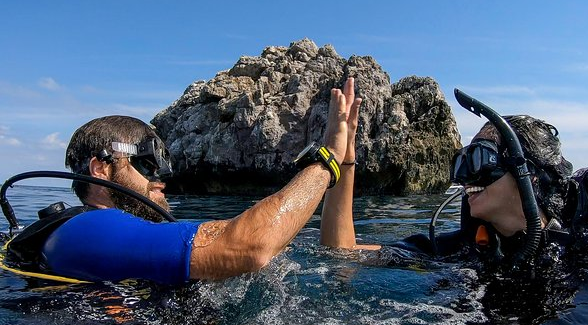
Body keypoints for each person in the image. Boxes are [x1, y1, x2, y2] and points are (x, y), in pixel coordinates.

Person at [319, 88, 588, 325]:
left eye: (480, 157)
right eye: (461, 161)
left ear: (527, 173)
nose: (465, 176)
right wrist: (345, 159)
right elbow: (343, 253)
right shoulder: (462, 249)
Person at [5, 82, 356, 286]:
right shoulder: (90, 228)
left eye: (163, 167)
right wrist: (327, 160)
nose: (161, 179)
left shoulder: (117, 233)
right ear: (101, 169)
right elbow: (251, 247)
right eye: (147, 164)